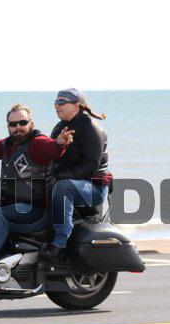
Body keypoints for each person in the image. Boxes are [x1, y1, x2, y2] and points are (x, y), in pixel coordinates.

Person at [0, 103, 74, 283]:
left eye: (22, 122)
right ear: (8, 126)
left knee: (1, 215)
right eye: (13, 124)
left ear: (31, 123)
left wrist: (60, 143)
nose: (18, 127)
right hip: (16, 206)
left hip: (36, 211)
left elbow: (52, 149)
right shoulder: (7, 145)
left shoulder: (37, 143)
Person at [41, 88, 112, 263]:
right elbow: (51, 155)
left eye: (62, 102)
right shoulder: (59, 127)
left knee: (63, 186)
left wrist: (62, 176)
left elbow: (90, 166)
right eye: (55, 102)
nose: (57, 106)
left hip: (93, 188)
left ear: (76, 105)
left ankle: (59, 244)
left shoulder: (90, 127)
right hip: (69, 182)